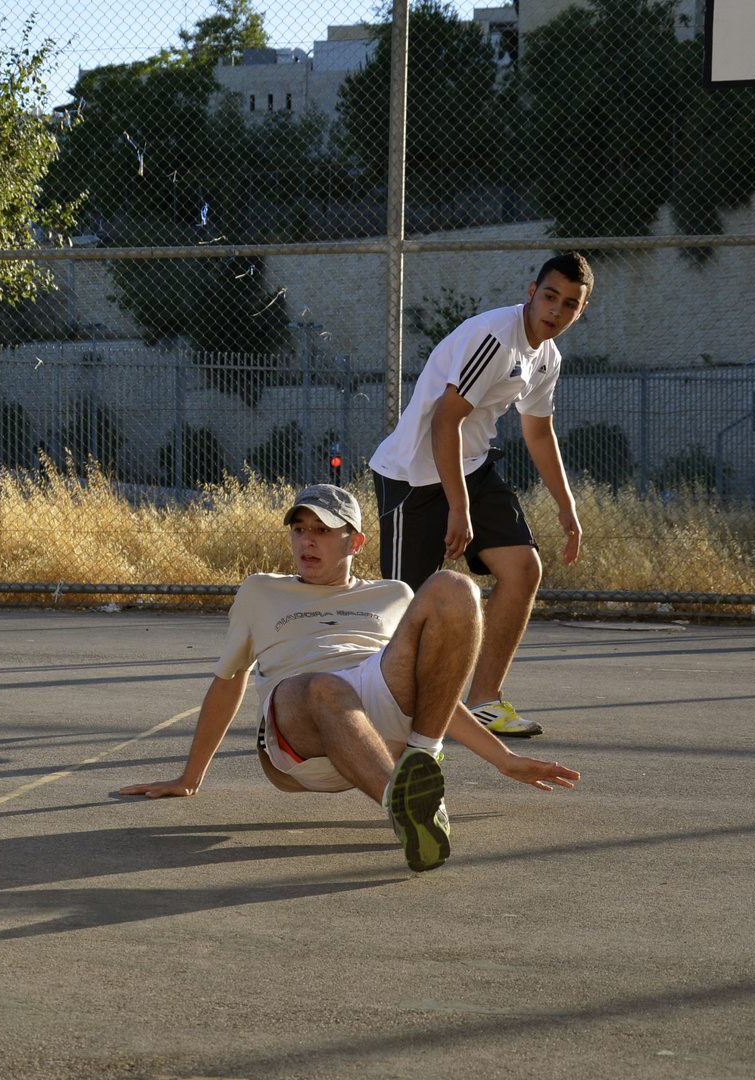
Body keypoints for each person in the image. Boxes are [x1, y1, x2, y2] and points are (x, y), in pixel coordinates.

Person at [121, 485, 579, 873]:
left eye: (322, 530)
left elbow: (429, 689)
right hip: (299, 726)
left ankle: (420, 765)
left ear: (355, 542)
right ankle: (406, 807)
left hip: (379, 707)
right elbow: (229, 679)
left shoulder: (391, 594)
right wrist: (190, 776)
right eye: (300, 530)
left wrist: (502, 758)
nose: (307, 542)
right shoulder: (260, 591)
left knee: (456, 588)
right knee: (326, 685)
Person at [367, 253, 593, 739]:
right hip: (413, 475)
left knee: (524, 568)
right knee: (408, 609)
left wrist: (567, 506)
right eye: (550, 296)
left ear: (580, 311)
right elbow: (445, 421)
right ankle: (380, 709)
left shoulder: (547, 357)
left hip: (470, 466)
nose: (555, 310)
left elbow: (538, 432)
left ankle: (485, 700)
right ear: (531, 291)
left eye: (569, 304)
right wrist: (458, 506)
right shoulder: (494, 337)